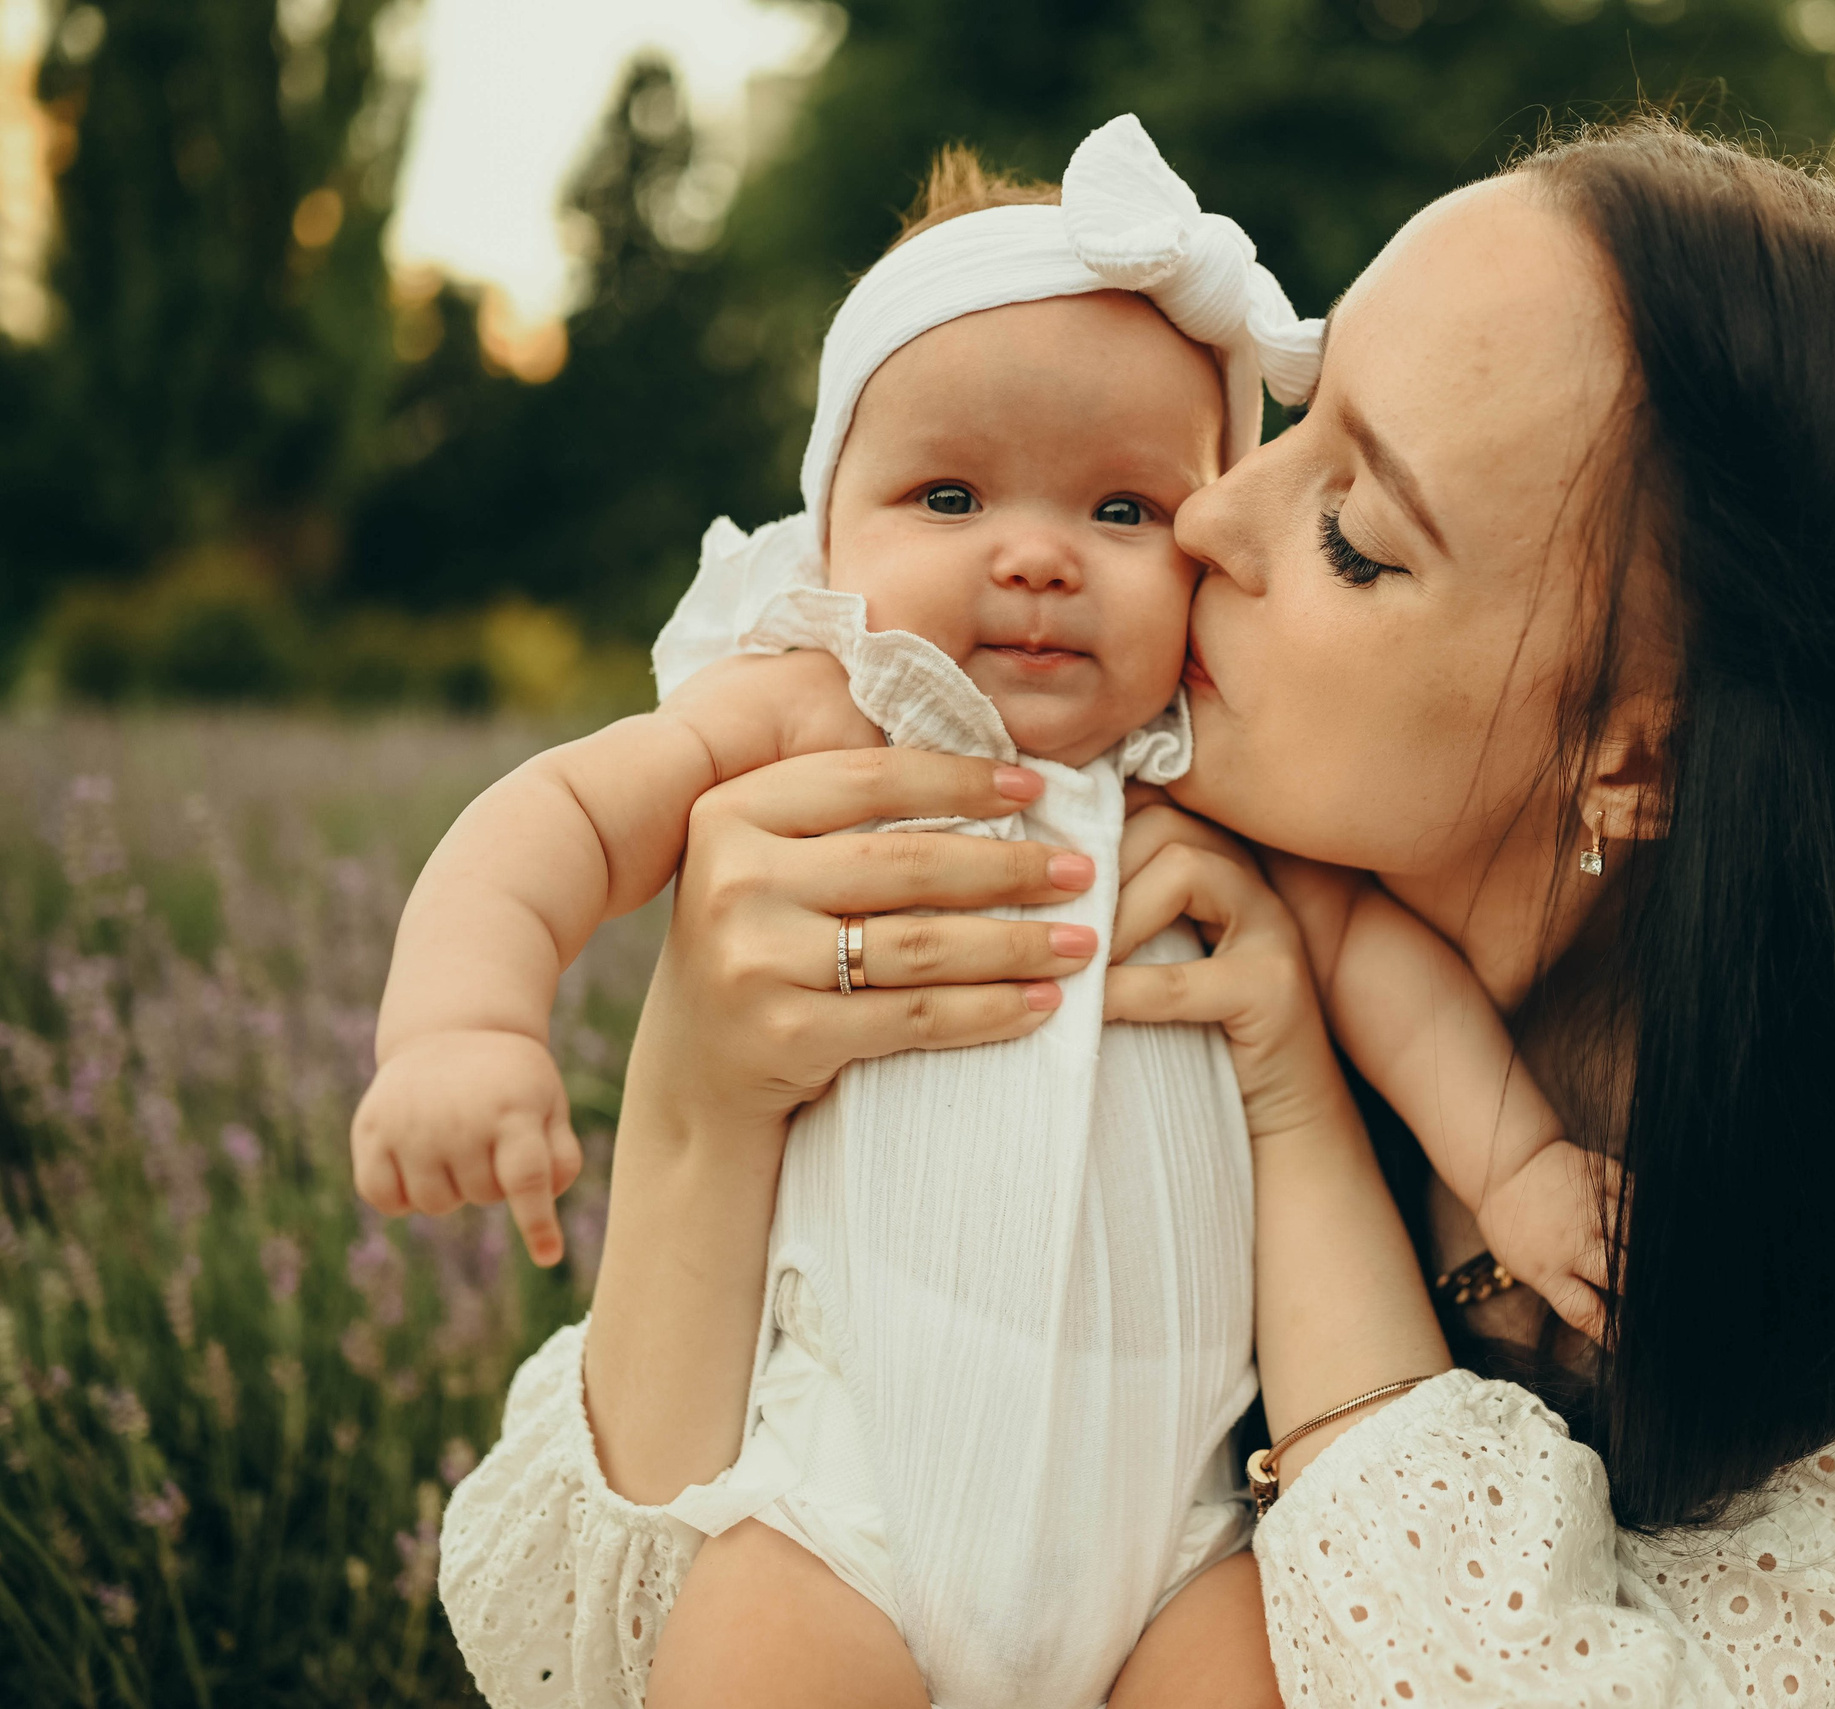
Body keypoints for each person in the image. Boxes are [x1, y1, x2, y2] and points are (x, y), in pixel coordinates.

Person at [436, 114, 1835, 1707]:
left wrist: (1302, 1111)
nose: (1209, 514)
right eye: (1292, 417)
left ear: (1631, 758)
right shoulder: (1042, 813)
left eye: (1355, 535)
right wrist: (698, 1102)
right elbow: (576, 1662)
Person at [392, 117, 1606, 1709]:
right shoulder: (819, 713)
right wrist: (461, 1023)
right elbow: (553, 813)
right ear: (833, 527)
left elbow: (1379, 969)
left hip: (1178, 1539)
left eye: (1121, 512)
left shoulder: (1206, 791)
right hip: (848, 1519)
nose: (1035, 558)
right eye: (951, 494)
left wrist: (1513, 1161)